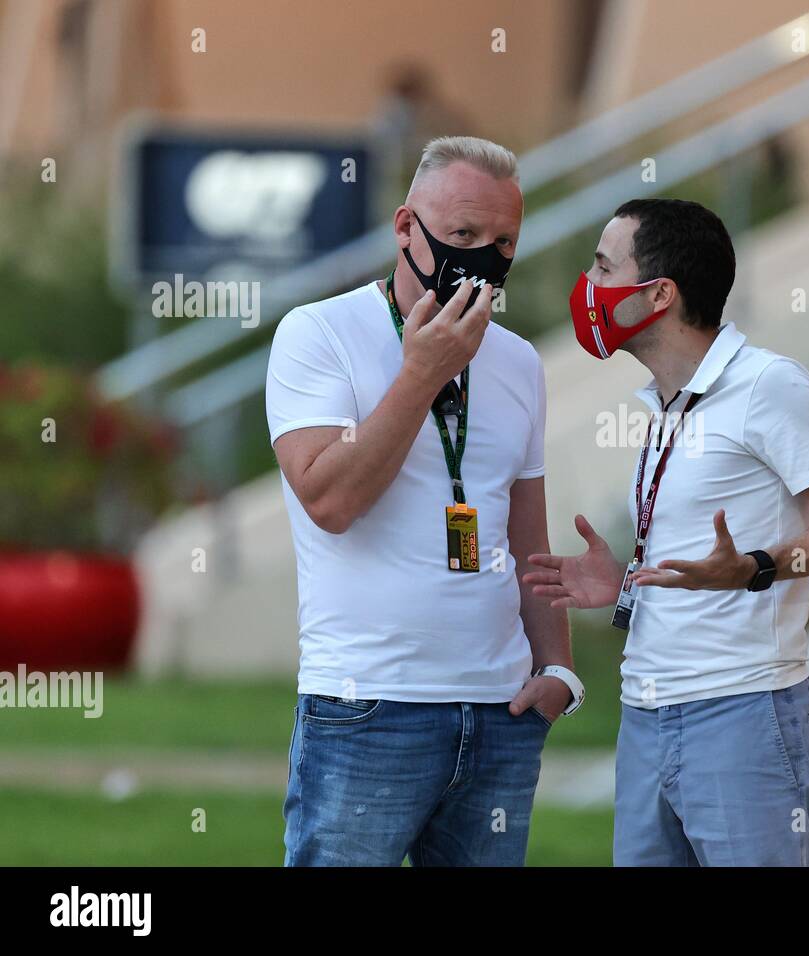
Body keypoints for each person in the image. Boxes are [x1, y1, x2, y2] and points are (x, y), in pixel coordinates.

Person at [525, 198, 809, 866]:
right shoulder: (667, 404)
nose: (588, 286)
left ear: (657, 294)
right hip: (646, 717)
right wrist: (624, 580)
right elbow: (693, 558)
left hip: (742, 715)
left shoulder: (769, 386)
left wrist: (756, 566)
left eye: (604, 267)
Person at [266, 136, 583, 867]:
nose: (483, 257)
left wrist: (558, 672)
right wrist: (422, 373)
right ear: (406, 228)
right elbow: (330, 499)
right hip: (367, 707)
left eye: (504, 241)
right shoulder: (318, 335)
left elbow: (525, 532)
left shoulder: (519, 361)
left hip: (500, 714)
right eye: (463, 235)